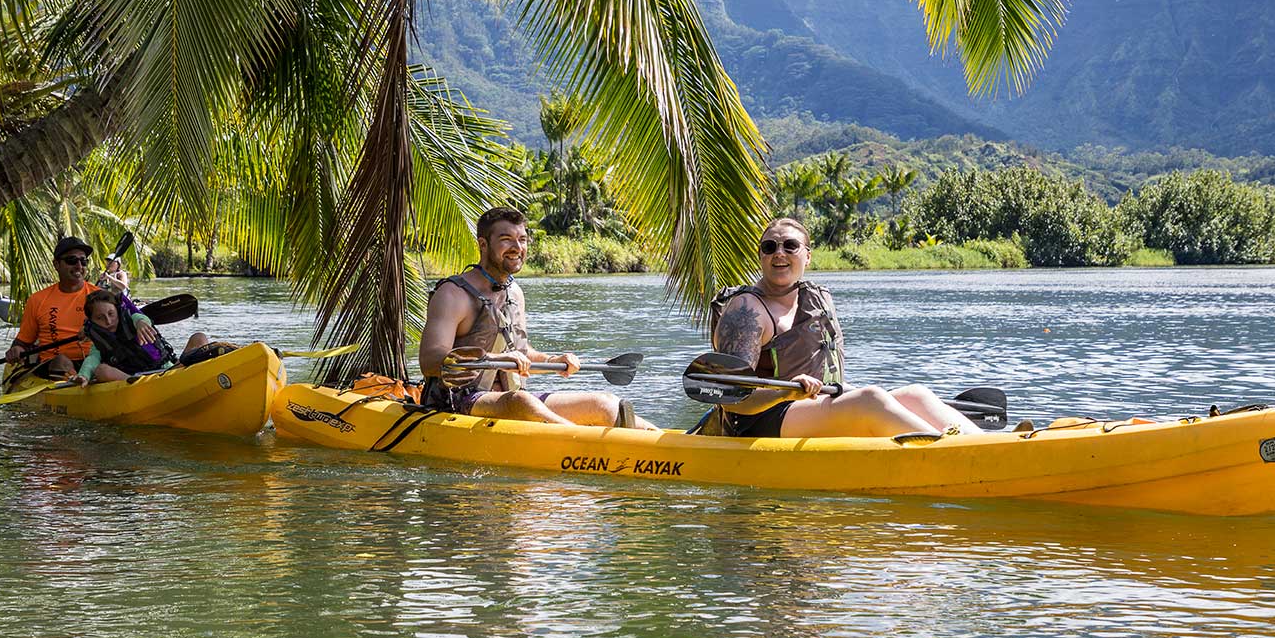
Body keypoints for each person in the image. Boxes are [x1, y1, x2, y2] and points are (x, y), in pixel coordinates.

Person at [707, 217, 980, 438]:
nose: (779, 253)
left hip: (808, 408)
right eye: (770, 247)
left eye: (790, 246)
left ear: (808, 256)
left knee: (915, 394)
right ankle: (950, 453)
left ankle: (986, 444)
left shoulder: (813, 300)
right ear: (761, 257)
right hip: (758, 422)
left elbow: (825, 378)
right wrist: (785, 391)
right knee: (870, 399)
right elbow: (733, 399)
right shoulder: (747, 311)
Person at [419, 207, 652, 428]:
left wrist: (553, 360)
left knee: (604, 403)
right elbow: (430, 361)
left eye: (522, 239)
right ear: (483, 244)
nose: (517, 247)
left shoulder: (514, 292)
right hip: (457, 403)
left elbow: (521, 353)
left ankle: (671, 444)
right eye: (506, 239)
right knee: (523, 401)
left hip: (509, 400)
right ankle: (593, 444)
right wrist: (494, 357)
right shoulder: (452, 294)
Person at [3, 235, 161, 387]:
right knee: (61, 360)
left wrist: (140, 322)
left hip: (97, 359)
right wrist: (17, 350)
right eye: (72, 260)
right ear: (56, 265)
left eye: (83, 261)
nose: (79, 266)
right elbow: (22, 343)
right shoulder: (37, 300)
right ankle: (76, 381)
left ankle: (135, 382)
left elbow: (127, 319)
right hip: (55, 366)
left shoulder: (99, 297)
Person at [75, 290, 212, 384]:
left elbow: (140, 318)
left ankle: (203, 375)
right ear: (92, 321)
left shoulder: (135, 321)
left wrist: (141, 324)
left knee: (199, 337)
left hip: (168, 371)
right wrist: (83, 375)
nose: (108, 321)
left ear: (118, 311)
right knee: (101, 370)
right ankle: (137, 385)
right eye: (100, 318)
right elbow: (92, 360)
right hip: (134, 380)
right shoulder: (100, 344)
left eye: (111, 314)